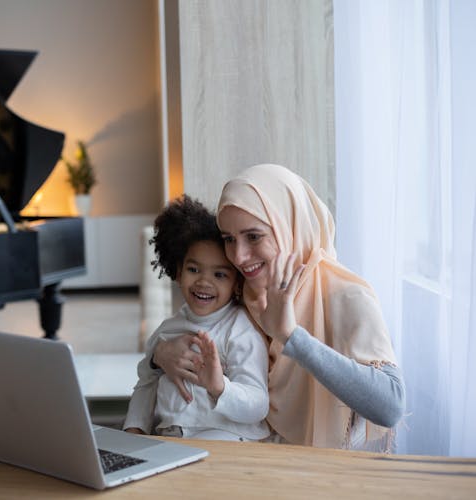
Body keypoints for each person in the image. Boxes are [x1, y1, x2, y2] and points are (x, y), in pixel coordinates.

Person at [152, 164, 406, 450]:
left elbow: (390, 406)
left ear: (289, 226)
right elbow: (189, 331)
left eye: (254, 236)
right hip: (251, 456)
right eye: (229, 239)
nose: (238, 256)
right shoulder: (243, 291)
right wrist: (159, 353)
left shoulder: (346, 296)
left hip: (322, 472)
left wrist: (291, 336)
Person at [123, 195, 270, 441]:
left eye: (220, 274)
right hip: (171, 437)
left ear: (237, 283)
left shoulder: (240, 330)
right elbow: (146, 384)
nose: (204, 281)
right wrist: (133, 430)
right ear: (178, 271)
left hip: (228, 438)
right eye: (193, 269)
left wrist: (219, 387)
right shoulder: (166, 331)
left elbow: (258, 405)